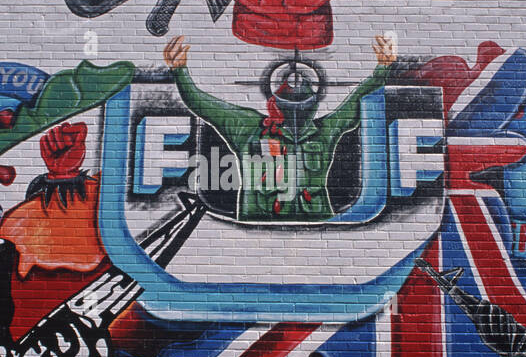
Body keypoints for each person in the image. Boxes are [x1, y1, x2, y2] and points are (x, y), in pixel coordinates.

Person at [163, 33, 395, 221]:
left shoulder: (325, 132)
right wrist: (180, 71)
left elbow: (357, 104)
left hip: (318, 233)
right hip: (257, 232)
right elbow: (202, 104)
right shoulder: (248, 128)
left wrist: (383, 69)